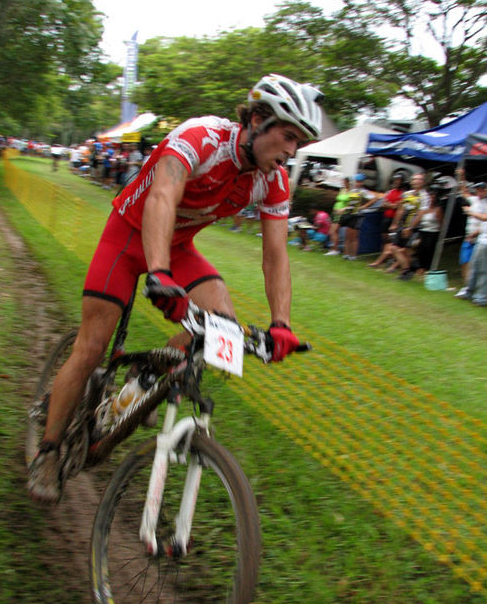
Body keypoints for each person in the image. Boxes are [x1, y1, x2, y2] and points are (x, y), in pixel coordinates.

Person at [27, 73, 324, 503]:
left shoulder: (271, 178)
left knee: (220, 321)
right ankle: (49, 451)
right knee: (92, 345)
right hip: (127, 239)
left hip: (179, 246)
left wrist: (281, 323)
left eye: (300, 143)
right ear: (257, 118)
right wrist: (160, 274)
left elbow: (276, 254)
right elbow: (161, 197)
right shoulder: (201, 136)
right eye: (288, 136)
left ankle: (142, 380)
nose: (292, 151)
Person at [387, 172, 430, 280]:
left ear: (423, 182)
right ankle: (407, 270)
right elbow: (401, 209)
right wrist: (395, 223)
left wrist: (410, 228)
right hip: (403, 224)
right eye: (414, 179)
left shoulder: (424, 196)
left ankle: (407, 271)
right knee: (394, 248)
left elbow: (420, 213)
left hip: (414, 227)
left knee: (407, 250)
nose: (416, 181)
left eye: (419, 179)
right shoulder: (407, 194)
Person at [455, 182, 487, 305]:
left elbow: (485, 218)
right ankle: (469, 291)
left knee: (483, 270)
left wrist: (470, 212)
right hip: (482, 238)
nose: (479, 193)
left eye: (481, 190)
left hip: (485, 241)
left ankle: (481, 297)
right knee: (474, 266)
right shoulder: (480, 201)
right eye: (477, 190)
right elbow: (465, 193)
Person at [341, 173, 377, 260]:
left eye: (360, 182)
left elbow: (374, 198)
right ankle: (346, 253)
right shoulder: (352, 191)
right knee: (347, 234)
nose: (358, 183)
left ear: (362, 182)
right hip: (349, 213)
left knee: (354, 236)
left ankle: (353, 255)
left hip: (357, 214)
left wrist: (364, 206)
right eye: (357, 181)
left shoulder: (363, 191)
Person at [325, 177, 351, 255]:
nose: (343, 183)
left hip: (341, 213)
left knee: (334, 231)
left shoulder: (351, 192)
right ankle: (333, 248)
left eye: (344, 182)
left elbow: (351, 204)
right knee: (332, 231)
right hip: (336, 211)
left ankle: (335, 249)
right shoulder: (342, 190)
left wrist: (344, 209)